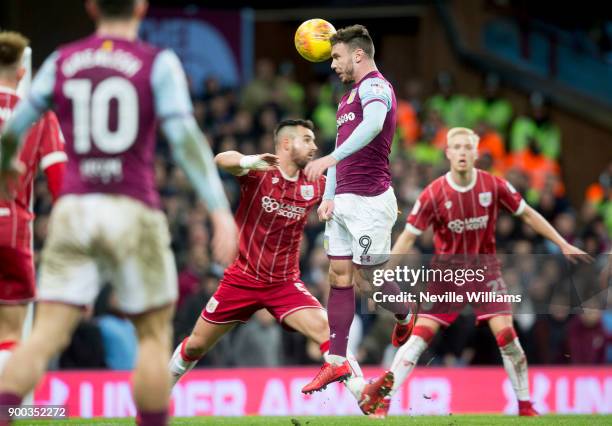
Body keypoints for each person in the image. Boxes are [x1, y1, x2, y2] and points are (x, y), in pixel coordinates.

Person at [0, 1, 236, 425]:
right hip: (133, 207)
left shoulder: (62, 60)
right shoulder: (156, 63)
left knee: (43, 335)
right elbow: (184, 139)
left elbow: (14, 125)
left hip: (74, 209)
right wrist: (220, 209)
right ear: (142, 8)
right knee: (151, 334)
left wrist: (5, 165)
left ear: (90, 8)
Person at [168, 119, 389, 414]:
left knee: (327, 330)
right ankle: (158, 394)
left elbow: (347, 192)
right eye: (307, 140)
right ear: (287, 144)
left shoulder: (316, 183)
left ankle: (362, 392)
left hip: (284, 284)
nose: (313, 147)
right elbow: (221, 160)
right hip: (242, 278)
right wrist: (249, 161)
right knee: (195, 346)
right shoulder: (258, 173)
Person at [367, 127, 591, 418]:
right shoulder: (434, 193)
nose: (461, 152)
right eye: (456, 147)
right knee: (419, 338)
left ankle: (525, 407)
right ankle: (383, 403)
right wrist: (384, 275)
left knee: (508, 338)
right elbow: (408, 237)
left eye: (467, 147)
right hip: (446, 278)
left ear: (476, 153)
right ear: (448, 153)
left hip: (485, 275)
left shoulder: (493, 186)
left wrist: (561, 243)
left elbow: (528, 213)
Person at [302, 24, 415, 401]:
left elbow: (374, 125)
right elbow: (339, 149)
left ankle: (405, 315)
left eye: (336, 57)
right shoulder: (346, 98)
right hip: (345, 200)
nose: (332, 64)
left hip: (371, 201)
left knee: (369, 281)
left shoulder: (376, 87)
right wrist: (329, 195)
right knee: (338, 276)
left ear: (358, 54)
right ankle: (336, 359)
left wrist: (332, 157)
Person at [0, 31, 66, 373]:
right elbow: (60, 184)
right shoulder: (41, 116)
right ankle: (7, 413)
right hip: (13, 231)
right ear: (22, 72)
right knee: (10, 333)